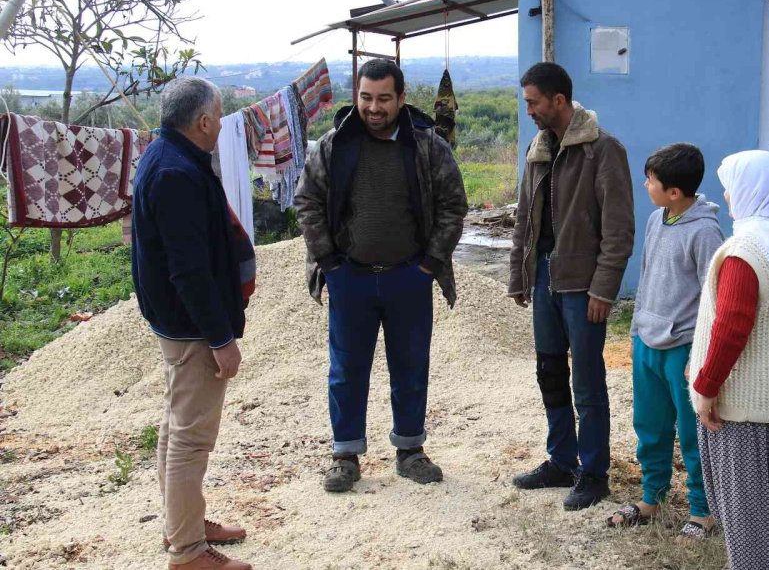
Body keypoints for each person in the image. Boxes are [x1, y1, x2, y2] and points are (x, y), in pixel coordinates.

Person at [295, 59, 468, 493]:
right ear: (357, 96)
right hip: (349, 277)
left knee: (410, 366)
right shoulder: (334, 145)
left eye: (384, 99)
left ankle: (410, 450)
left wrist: (429, 265)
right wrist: (329, 263)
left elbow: (453, 205)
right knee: (346, 370)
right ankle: (345, 455)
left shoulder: (427, 146)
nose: (374, 108)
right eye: (366, 98)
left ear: (401, 98)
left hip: (408, 276)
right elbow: (307, 201)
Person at [132, 76, 255, 570]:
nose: (222, 124)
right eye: (219, 116)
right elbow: (189, 270)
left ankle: (182, 525)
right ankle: (187, 552)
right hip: (191, 328)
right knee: (190, 438)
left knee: (175, 426)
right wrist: (221, 338)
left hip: (175, 321)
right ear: (203, 121)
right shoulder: (175, 173)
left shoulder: (164, 155)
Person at [688, 150, 769, 570]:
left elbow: (731, 327)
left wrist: (706, 386)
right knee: (766, 514)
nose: (727, 198)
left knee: (745, 520)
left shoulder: (744, 252)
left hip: (743, 409)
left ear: (749, 191)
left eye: (730, 189)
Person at [508, 61, 634, 510]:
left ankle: (594, 472)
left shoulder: (603, 150)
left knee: (586, 379)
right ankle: (561, 461)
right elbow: (524, 217)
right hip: (544, 278)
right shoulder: (538, 148)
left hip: (582, 286)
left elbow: (618, 231)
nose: (529, 111)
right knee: (550, 372)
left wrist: (603, 290)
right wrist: (519, 275)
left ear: (558, 100)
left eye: (533, 103)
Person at [605, 143, 721, 541]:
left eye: (650, 180)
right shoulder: (657, 218)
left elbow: (713, 297)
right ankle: (651, 498)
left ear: (674, 191)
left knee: (692, 434)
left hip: (683, 349)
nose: (645, 185)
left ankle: (703, 510)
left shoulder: (705, 231)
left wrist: (700, 355)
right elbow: (648, 276)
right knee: (650, 427)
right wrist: (636, 331)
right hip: (647, 343)